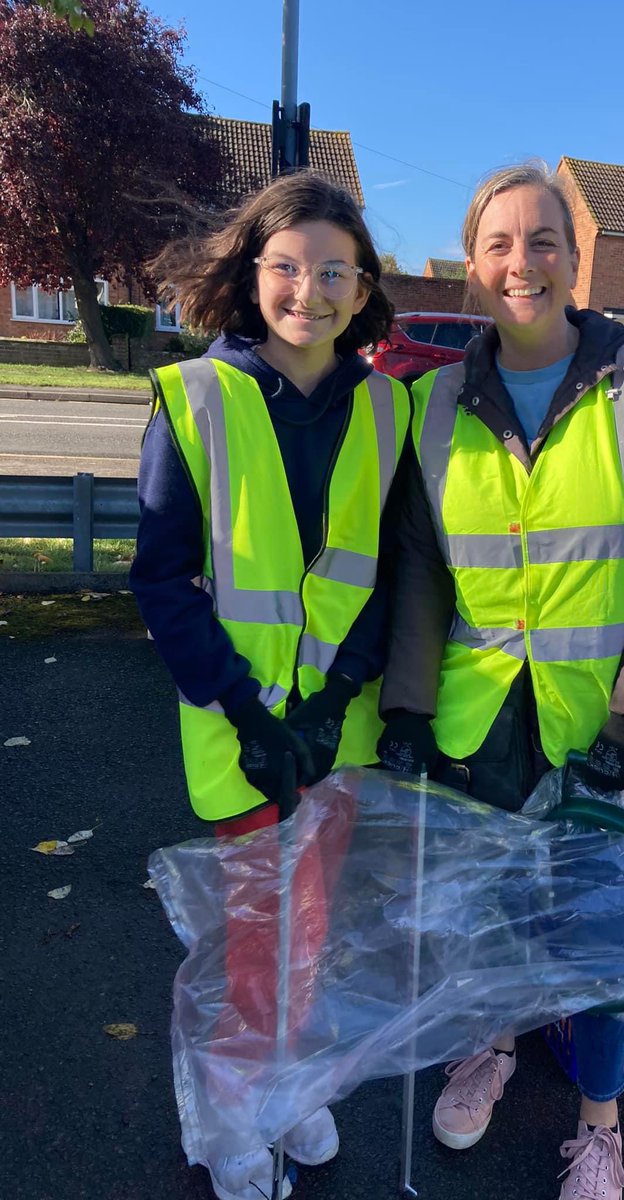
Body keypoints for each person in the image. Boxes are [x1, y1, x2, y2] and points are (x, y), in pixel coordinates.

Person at [376, 162, 624, 1200]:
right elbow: (421, 561)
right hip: (479, 714)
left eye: (542, 241)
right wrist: (408, 704)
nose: (520, 262)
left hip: (602, 721)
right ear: (472, 265)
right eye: (499, 244)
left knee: (597, 929)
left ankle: (600, 1127)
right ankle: (489, 1048)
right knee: (486, 911)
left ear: (574, 259)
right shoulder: (434, 400)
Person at [130, 171, 409, 1200]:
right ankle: (234, 1117)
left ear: (362, 286)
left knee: (313, 927)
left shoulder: (386, 406)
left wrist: (334, 704)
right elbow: (162, 579)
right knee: (257, 937)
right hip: (238, 725)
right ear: (251, 274)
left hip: (336, 726)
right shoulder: (196, 396)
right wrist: (250, 713)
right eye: (287, 266)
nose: (309, 291)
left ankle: (284, 1086)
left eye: (335, 271)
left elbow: (386, 569)